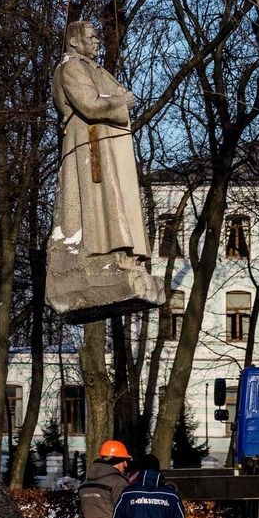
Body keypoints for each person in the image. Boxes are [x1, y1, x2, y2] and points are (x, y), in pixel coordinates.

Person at [47, 21, 164, 318]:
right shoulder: (72, 66)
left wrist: (118, 100)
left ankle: (121, 256)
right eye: (92, 36)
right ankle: (103, 256)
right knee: (98, 202)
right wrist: (121, 102)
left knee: (115, 200)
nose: (98, 41)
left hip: (107, 141)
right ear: (74, 41)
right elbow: (90, 105)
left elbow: (111, 97)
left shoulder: (92, 67)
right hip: (91, 142)